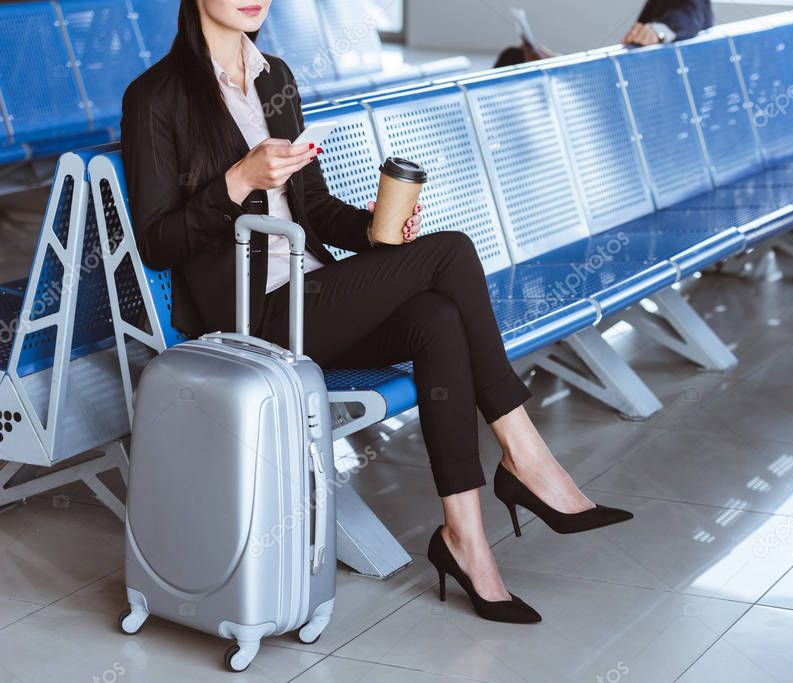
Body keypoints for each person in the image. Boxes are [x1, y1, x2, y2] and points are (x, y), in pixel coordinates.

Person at [120, 0, 633, 625]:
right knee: (452, 253)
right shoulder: (156, 97)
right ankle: (525, 457)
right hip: (251, 321)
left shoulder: (275, 78)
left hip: (313, 295)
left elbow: (311, 204)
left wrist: (373, 230)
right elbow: (156, 241)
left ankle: (465, 541)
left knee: (439, 319)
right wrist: (236, 183)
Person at [495, 0, 714, 68]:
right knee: (516, 56)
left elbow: (690, 15)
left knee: (513, 59)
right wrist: (553, 60)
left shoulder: (689, 7)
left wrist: (657, 32)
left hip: (629, 102)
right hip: (621, 86)